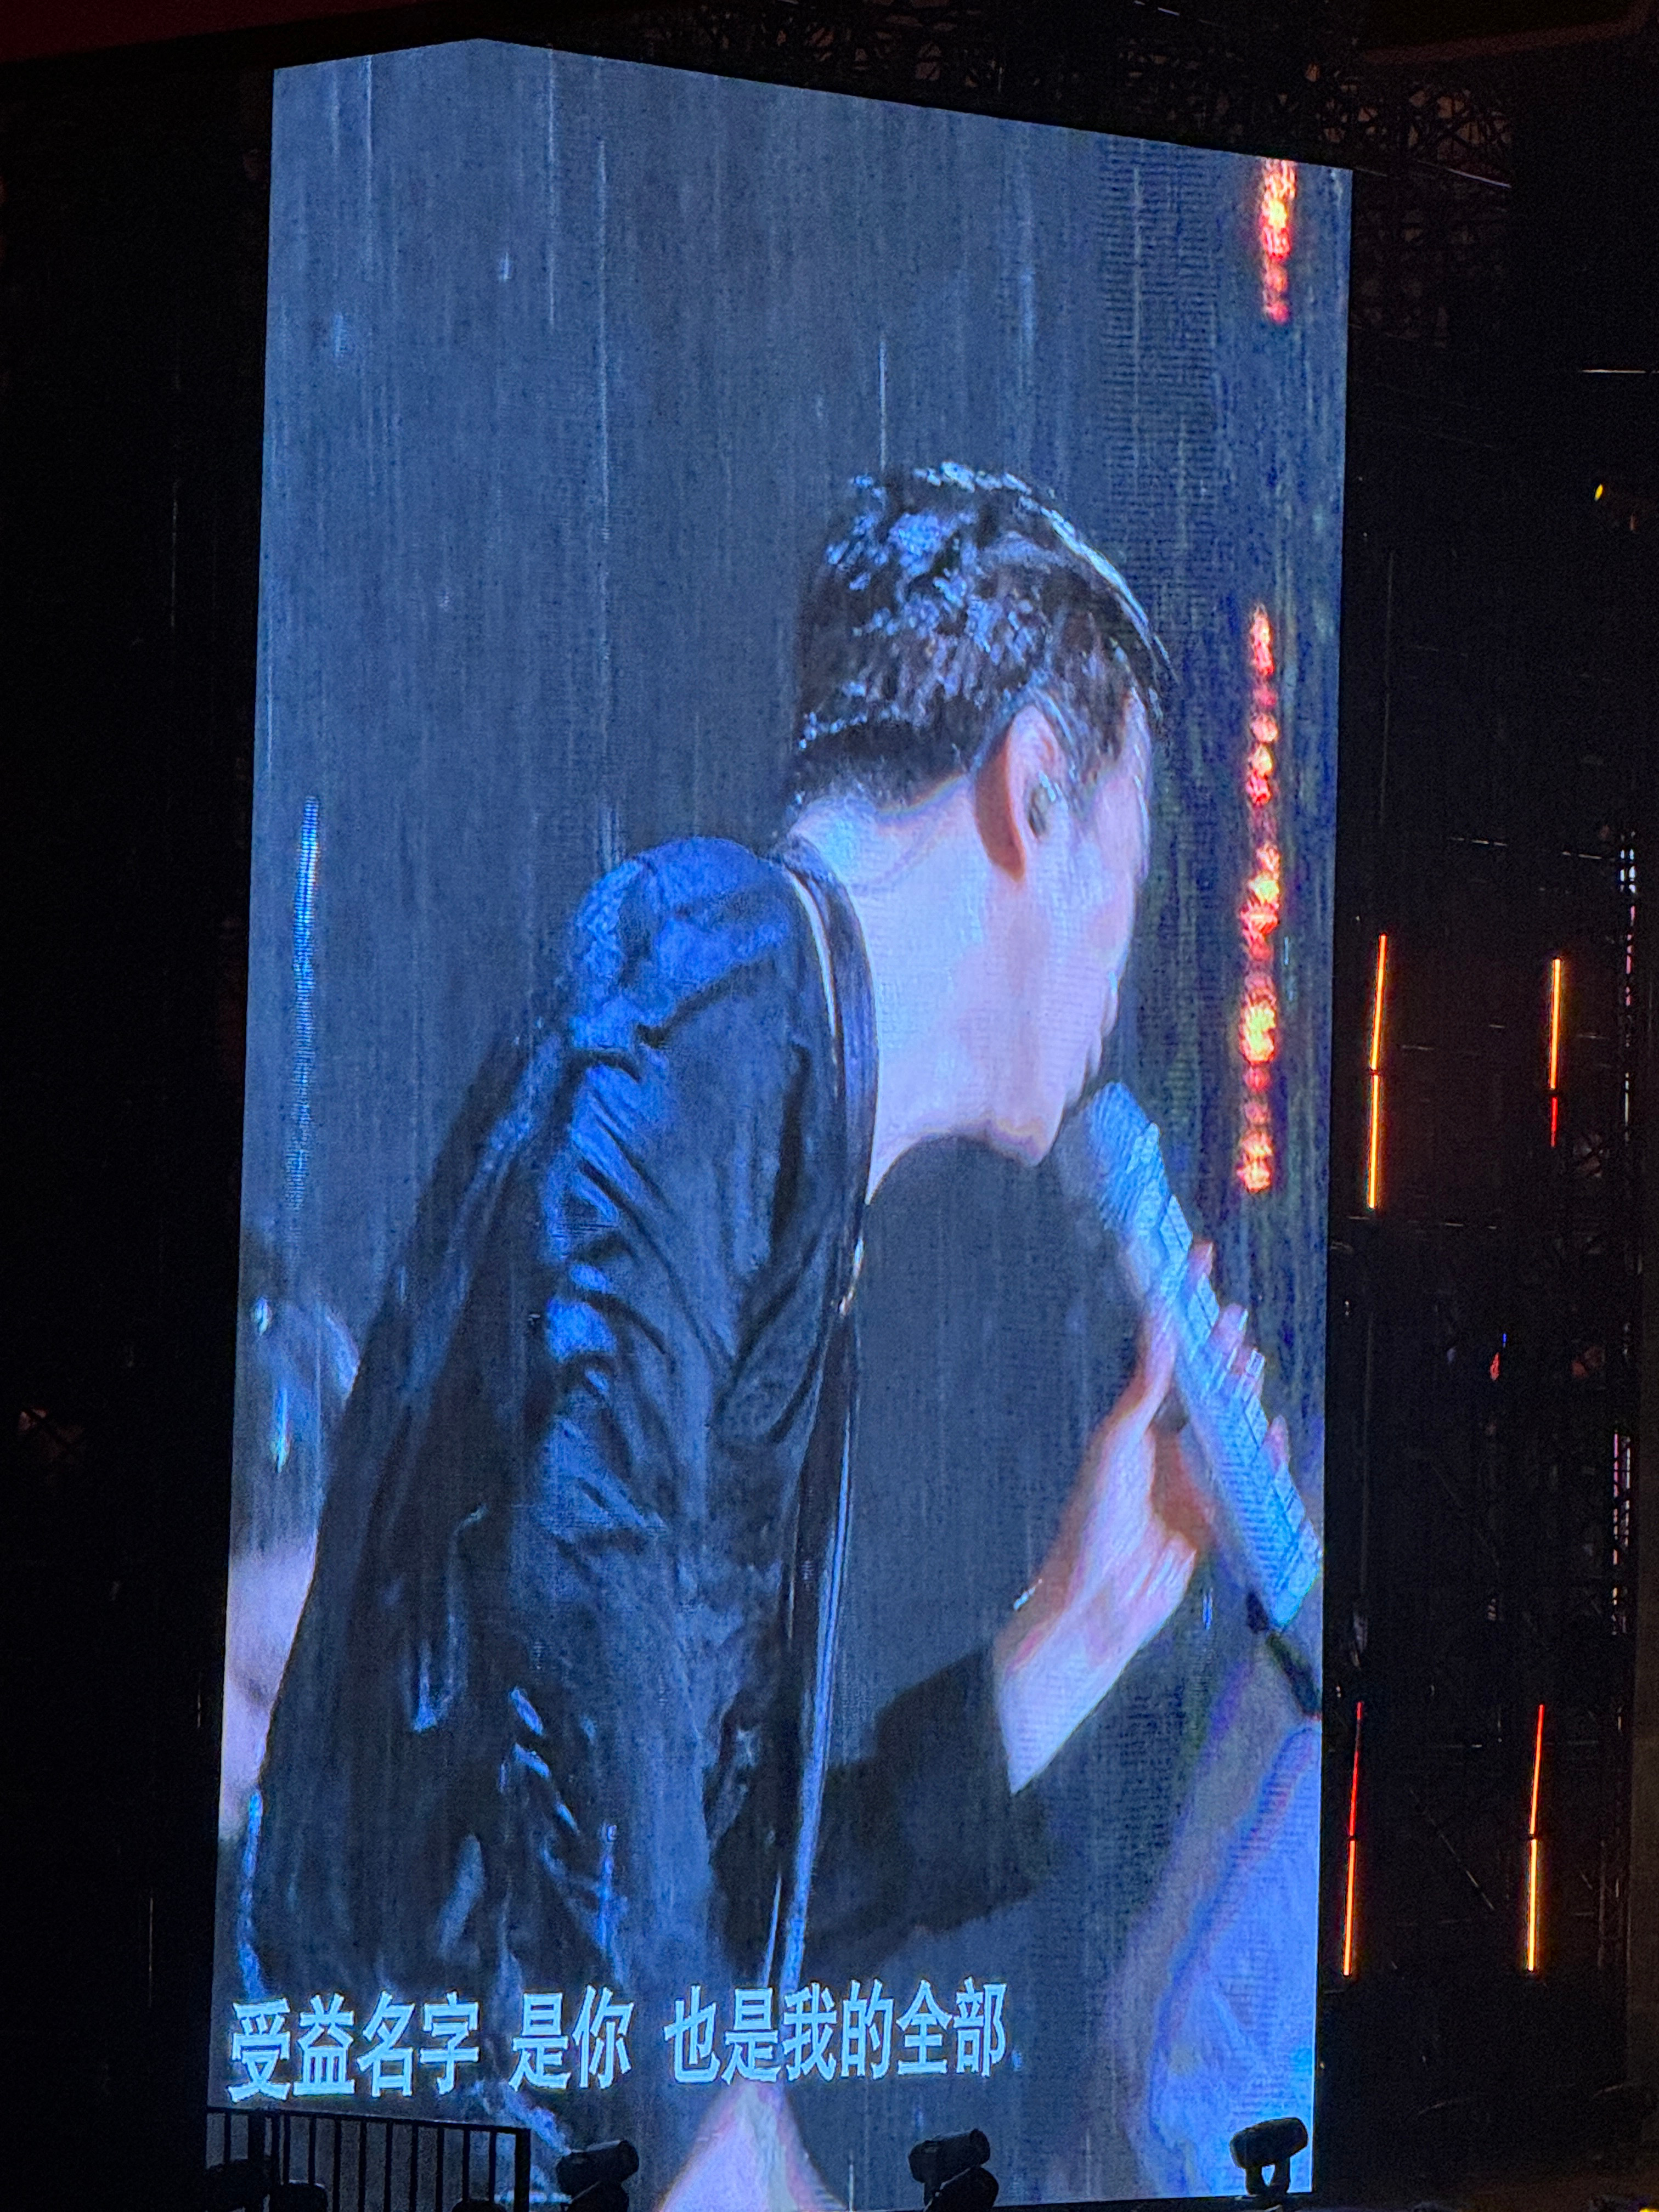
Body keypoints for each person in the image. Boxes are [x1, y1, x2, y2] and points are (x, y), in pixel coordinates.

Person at [245, 464, 1276, 2205]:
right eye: (1132, 869)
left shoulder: (787, 1122)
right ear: (1034, 792)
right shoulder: (722, 964)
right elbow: (585, 1596)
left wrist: (1077, 1630)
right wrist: (722, 2143)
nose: (1124, 968)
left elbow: (699, 1924)